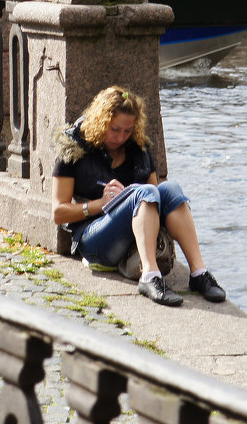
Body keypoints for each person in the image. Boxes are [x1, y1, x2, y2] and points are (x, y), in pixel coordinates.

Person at [52, 86, 225, 307]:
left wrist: (130, 198)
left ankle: (199, 273)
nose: (120, 137)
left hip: (133, 237)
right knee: (144, 192)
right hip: (93, 238)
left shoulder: (137, 149)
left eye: (127, 131)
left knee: (169, 189)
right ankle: (150, 277)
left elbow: (156, 199)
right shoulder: (74, 147)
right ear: (100, 121)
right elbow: (58, 213)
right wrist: (100, 204)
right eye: (114, 129)